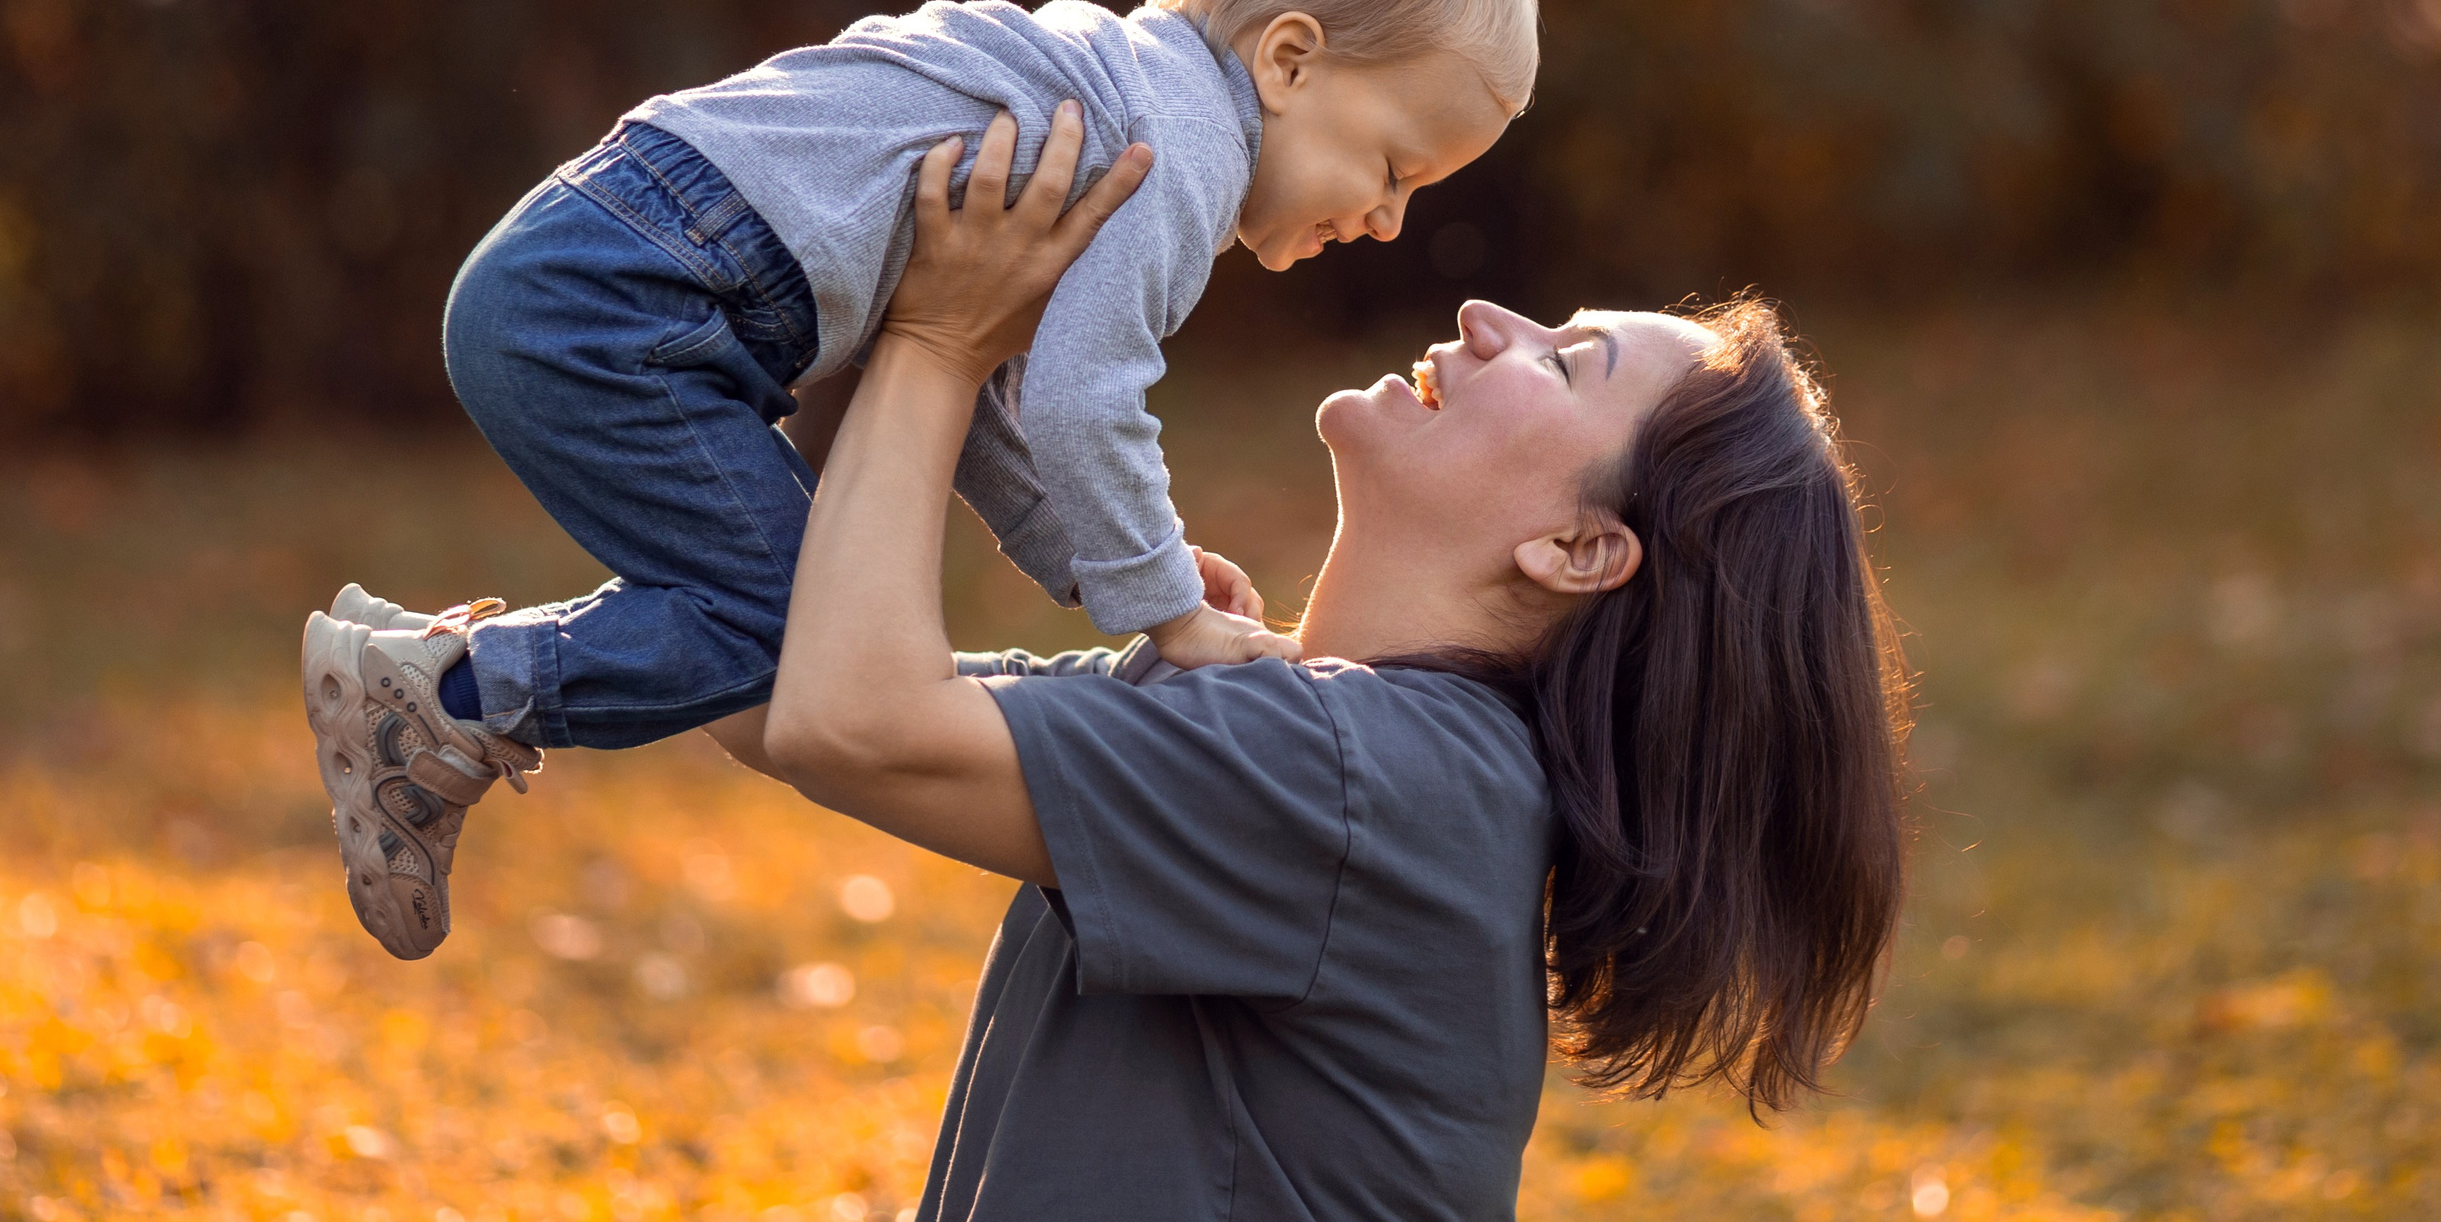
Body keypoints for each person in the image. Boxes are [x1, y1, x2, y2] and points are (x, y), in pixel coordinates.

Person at [300, 0, 1538, 959]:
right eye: (1391, 166)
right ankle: (449, 694)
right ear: (1289, 57)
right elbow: (1084, 404)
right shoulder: (1172, 160)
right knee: (802, 626)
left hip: (602, 261)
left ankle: (440, 689)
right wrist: (1164, 605)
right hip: (632, 298)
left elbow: (994, 390)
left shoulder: (1111, 87)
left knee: (793, 615)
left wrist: (1080, 563)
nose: (1386, 221)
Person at [694, 110, 1912, 1220]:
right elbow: (775, 689)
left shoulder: (1368, 780)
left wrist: (941, 341)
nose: (1490, 320)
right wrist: (838, 313)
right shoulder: (1339, 741)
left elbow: (843, 720)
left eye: (1559, 361)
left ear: (1580, 548)